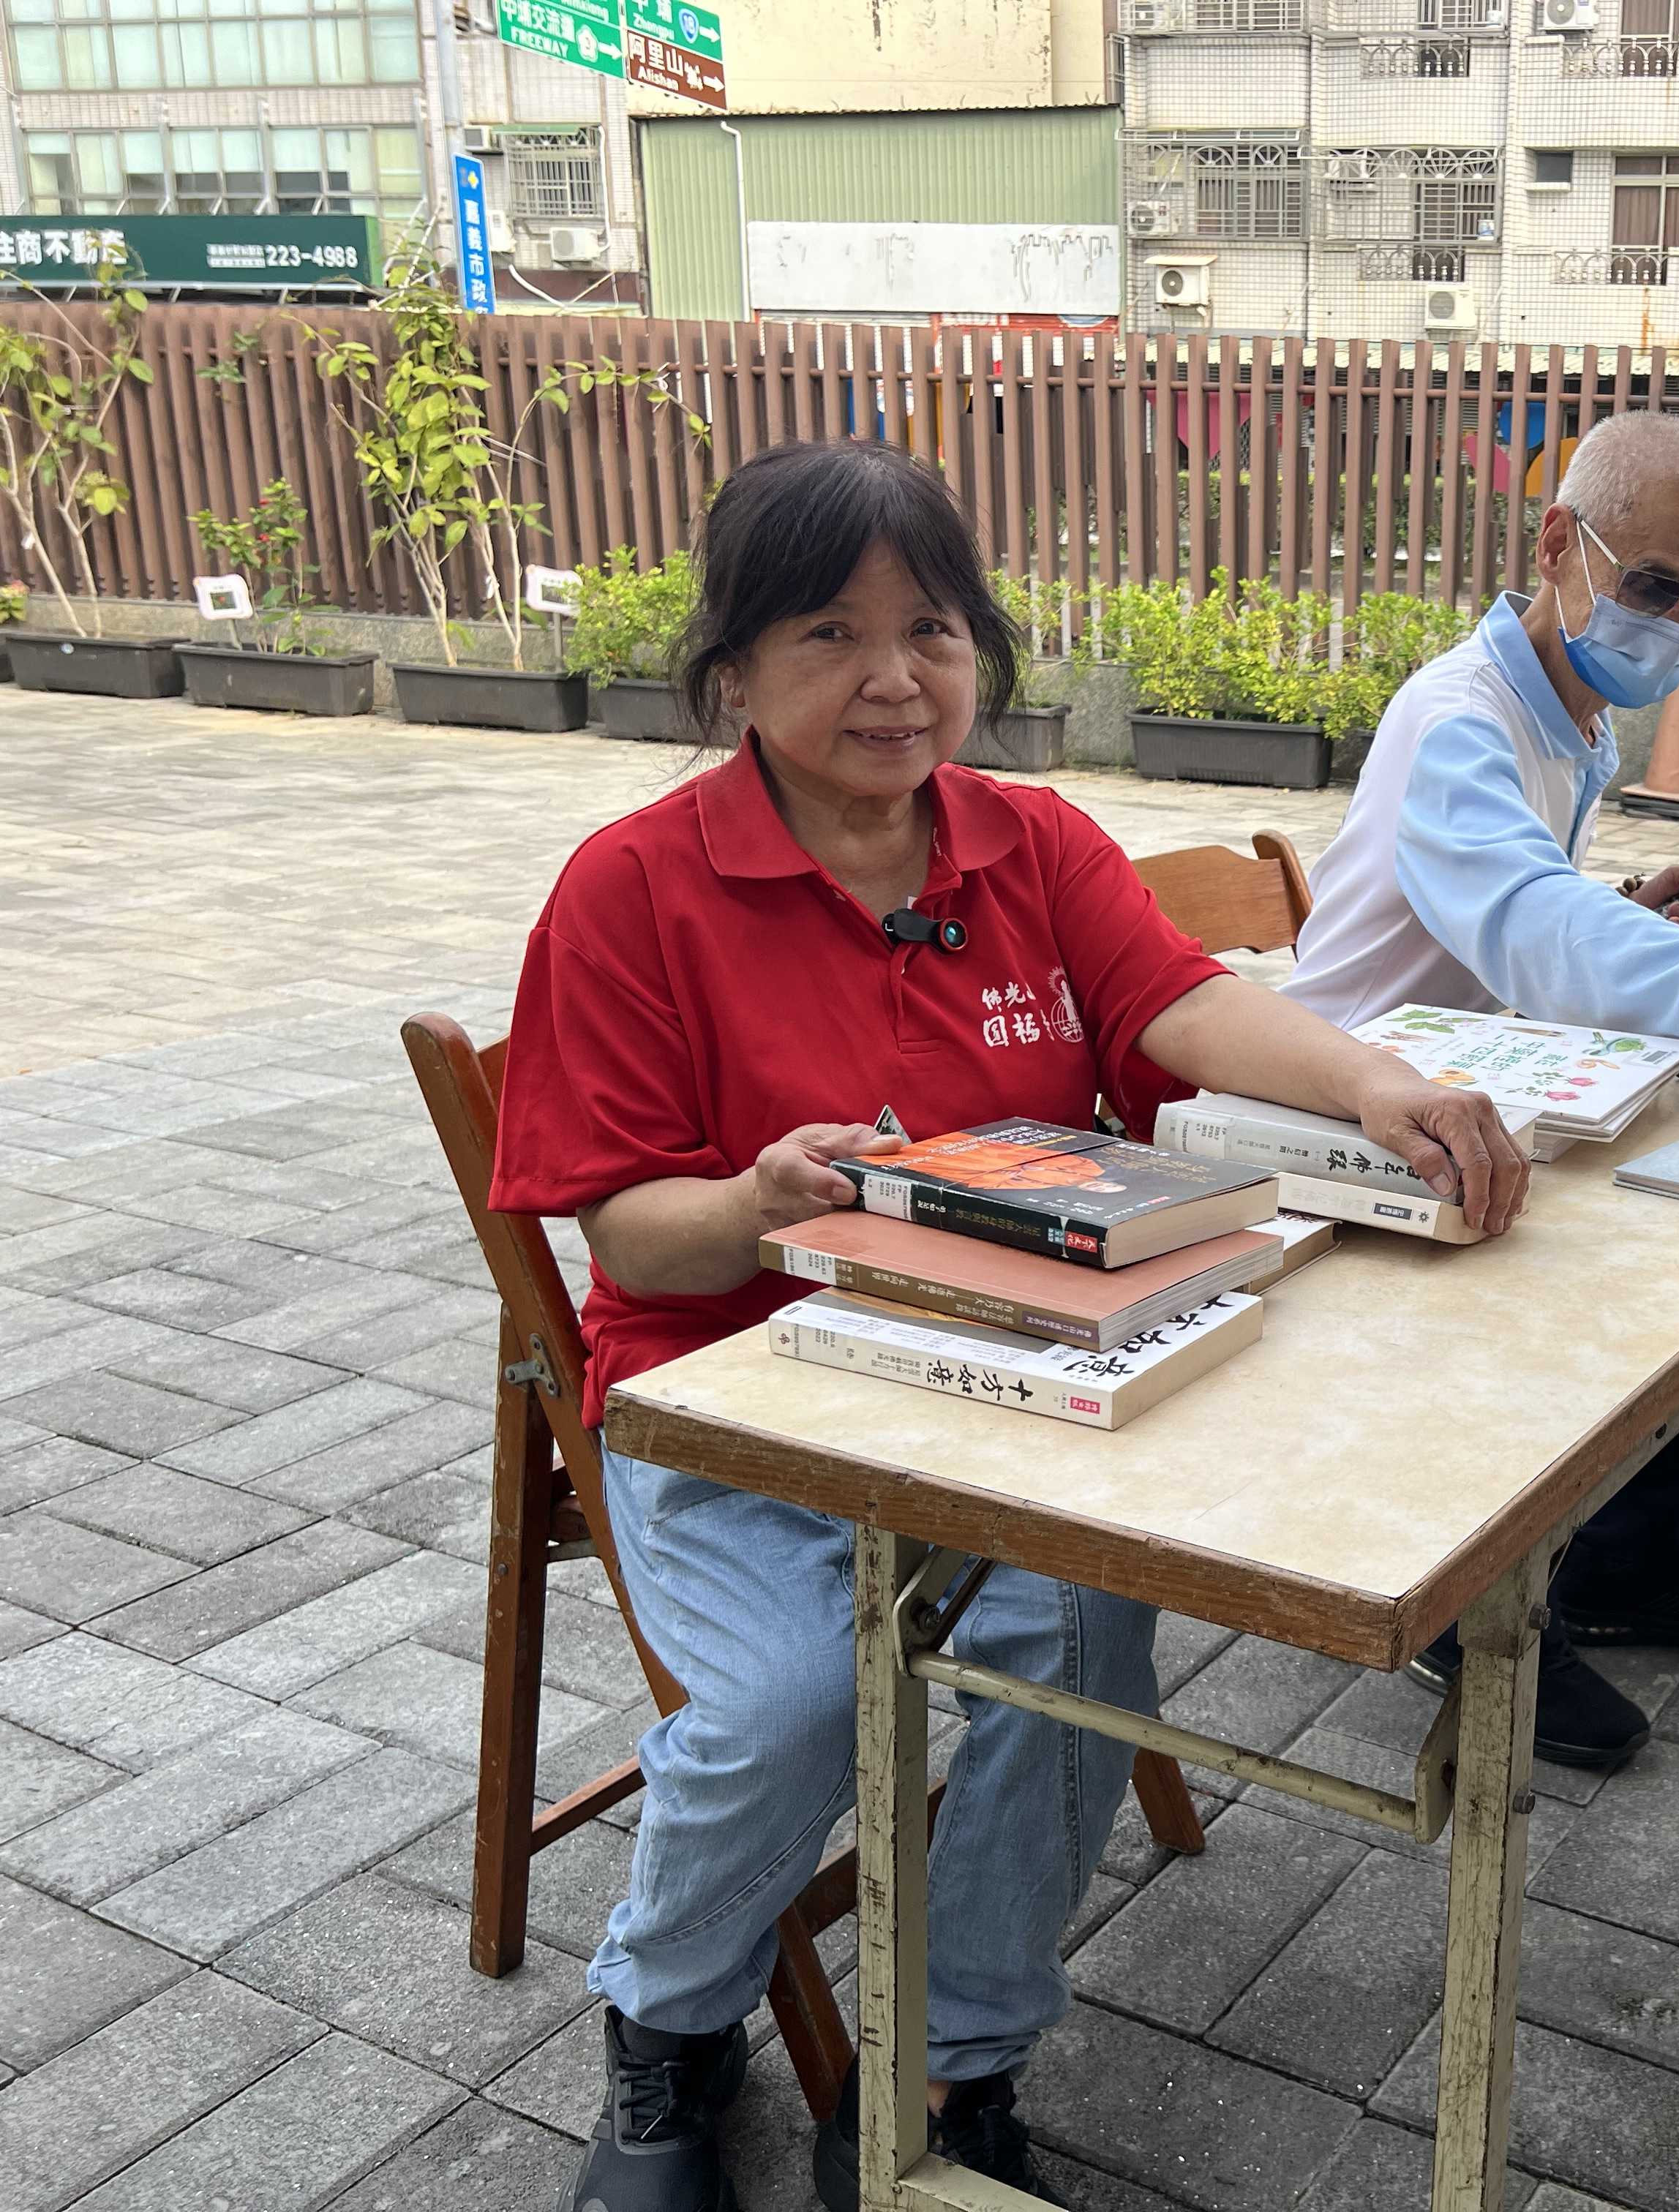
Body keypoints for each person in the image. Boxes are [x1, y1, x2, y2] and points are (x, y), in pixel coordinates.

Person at [489, 440, 1528, 2212]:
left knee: (1082, 1636)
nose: (895, 677)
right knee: (796, 1700)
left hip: (1019, 1382)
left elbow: (1180, 1005)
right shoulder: (635, 888)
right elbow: (629, 1235)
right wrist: (753, 1204)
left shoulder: (1027, 841)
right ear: (732, 668)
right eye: (830, 633)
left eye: (934, 628)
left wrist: (1377, 1082)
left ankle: (944, 2061)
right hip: (735, 1394)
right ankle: (667, 2028)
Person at [1286, 410, 1679, 1771]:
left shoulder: (1568, 718)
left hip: (1479, 1079)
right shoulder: (1457, 717)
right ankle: (1472, 1609)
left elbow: (1516, 917)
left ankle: (1636, 1556)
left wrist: (1629, 908)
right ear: (1558, 545)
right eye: (1657, 588)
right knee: (1677, 1257)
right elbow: (1520, 915)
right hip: (1349, 1108)